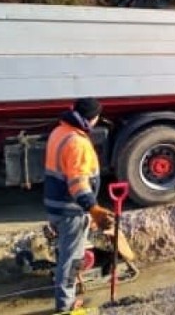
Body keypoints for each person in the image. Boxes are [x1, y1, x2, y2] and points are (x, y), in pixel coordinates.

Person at [44, 97, 114, 312]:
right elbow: (77, 184)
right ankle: (66, 306)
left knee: (67, 254)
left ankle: (67, 293)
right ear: (94, 119)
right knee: (71, 259)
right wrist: (93, 209)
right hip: (71, 210)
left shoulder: (59, 132)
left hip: (56, 205)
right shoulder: (78, 143)